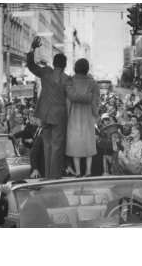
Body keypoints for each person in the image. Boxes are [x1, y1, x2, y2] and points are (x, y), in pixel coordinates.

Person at [26, 36, 70, 179]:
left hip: (45, 114)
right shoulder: (67, 79)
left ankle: (47, 175)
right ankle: (53, 176)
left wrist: (32, 49)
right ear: (64, 65)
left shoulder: (46, 72)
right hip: (59, 116)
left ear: (54, 62)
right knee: (57, 146)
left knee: (47, 145)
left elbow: (31, 66)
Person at [66, 59, 100, 177]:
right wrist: (96, 115)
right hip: (88, 117)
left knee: (75, 144)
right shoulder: (93, 83)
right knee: (88, 144)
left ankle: (78, 172)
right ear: (87, 68)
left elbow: (67, 102)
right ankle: (88, 171)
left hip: (73, 117)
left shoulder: (70, 81)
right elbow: (96, 102)